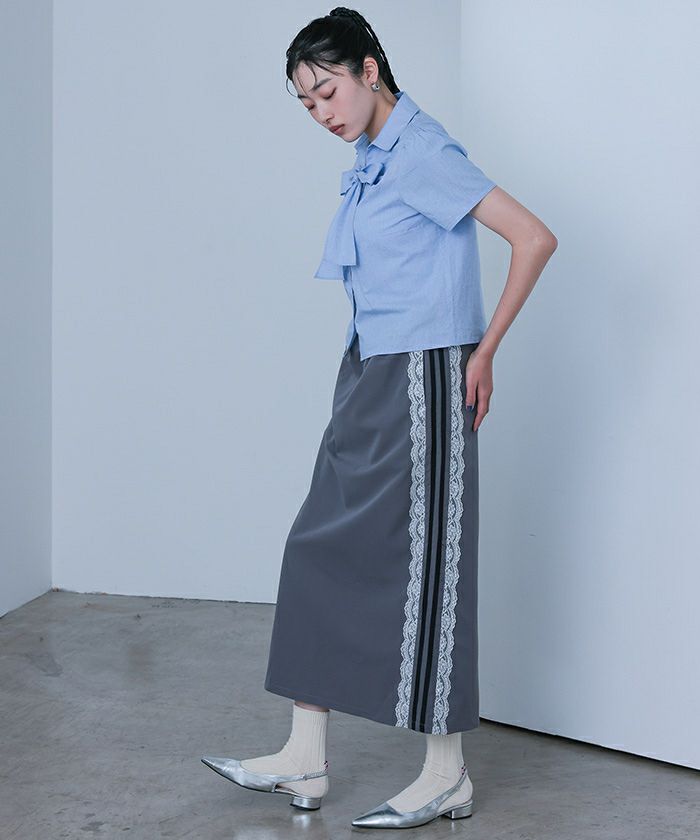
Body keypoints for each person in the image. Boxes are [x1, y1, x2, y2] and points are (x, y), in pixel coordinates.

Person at [202, 6, 557, 830]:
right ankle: (304, 754)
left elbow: (533, 238)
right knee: (317, 544)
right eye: (305, 103)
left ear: (369, 70)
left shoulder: (422, 150)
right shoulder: (373, 158)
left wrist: (484, 352)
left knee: (427, 566)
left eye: (327, 92)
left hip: (425, 373)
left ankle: (446, 774)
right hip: (369, 368)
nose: (320, 113)